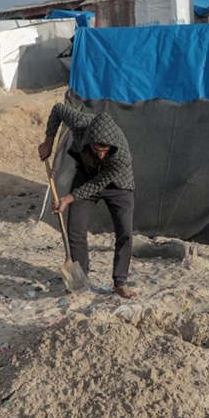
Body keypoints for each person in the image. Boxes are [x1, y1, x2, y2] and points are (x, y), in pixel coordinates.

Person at [38, 103, 137, 299]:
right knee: (75, 228)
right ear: (89, 140)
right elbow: (57, 109)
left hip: (118, 185)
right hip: (86, 175)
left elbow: (99, 182)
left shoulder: (122, 155)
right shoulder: (80, 123)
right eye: (96, 149)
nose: (101, 154)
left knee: (125, 232)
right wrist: (48, 142)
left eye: (105, 150)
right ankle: (80, 278)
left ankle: (120, 282)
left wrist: (68, 198)